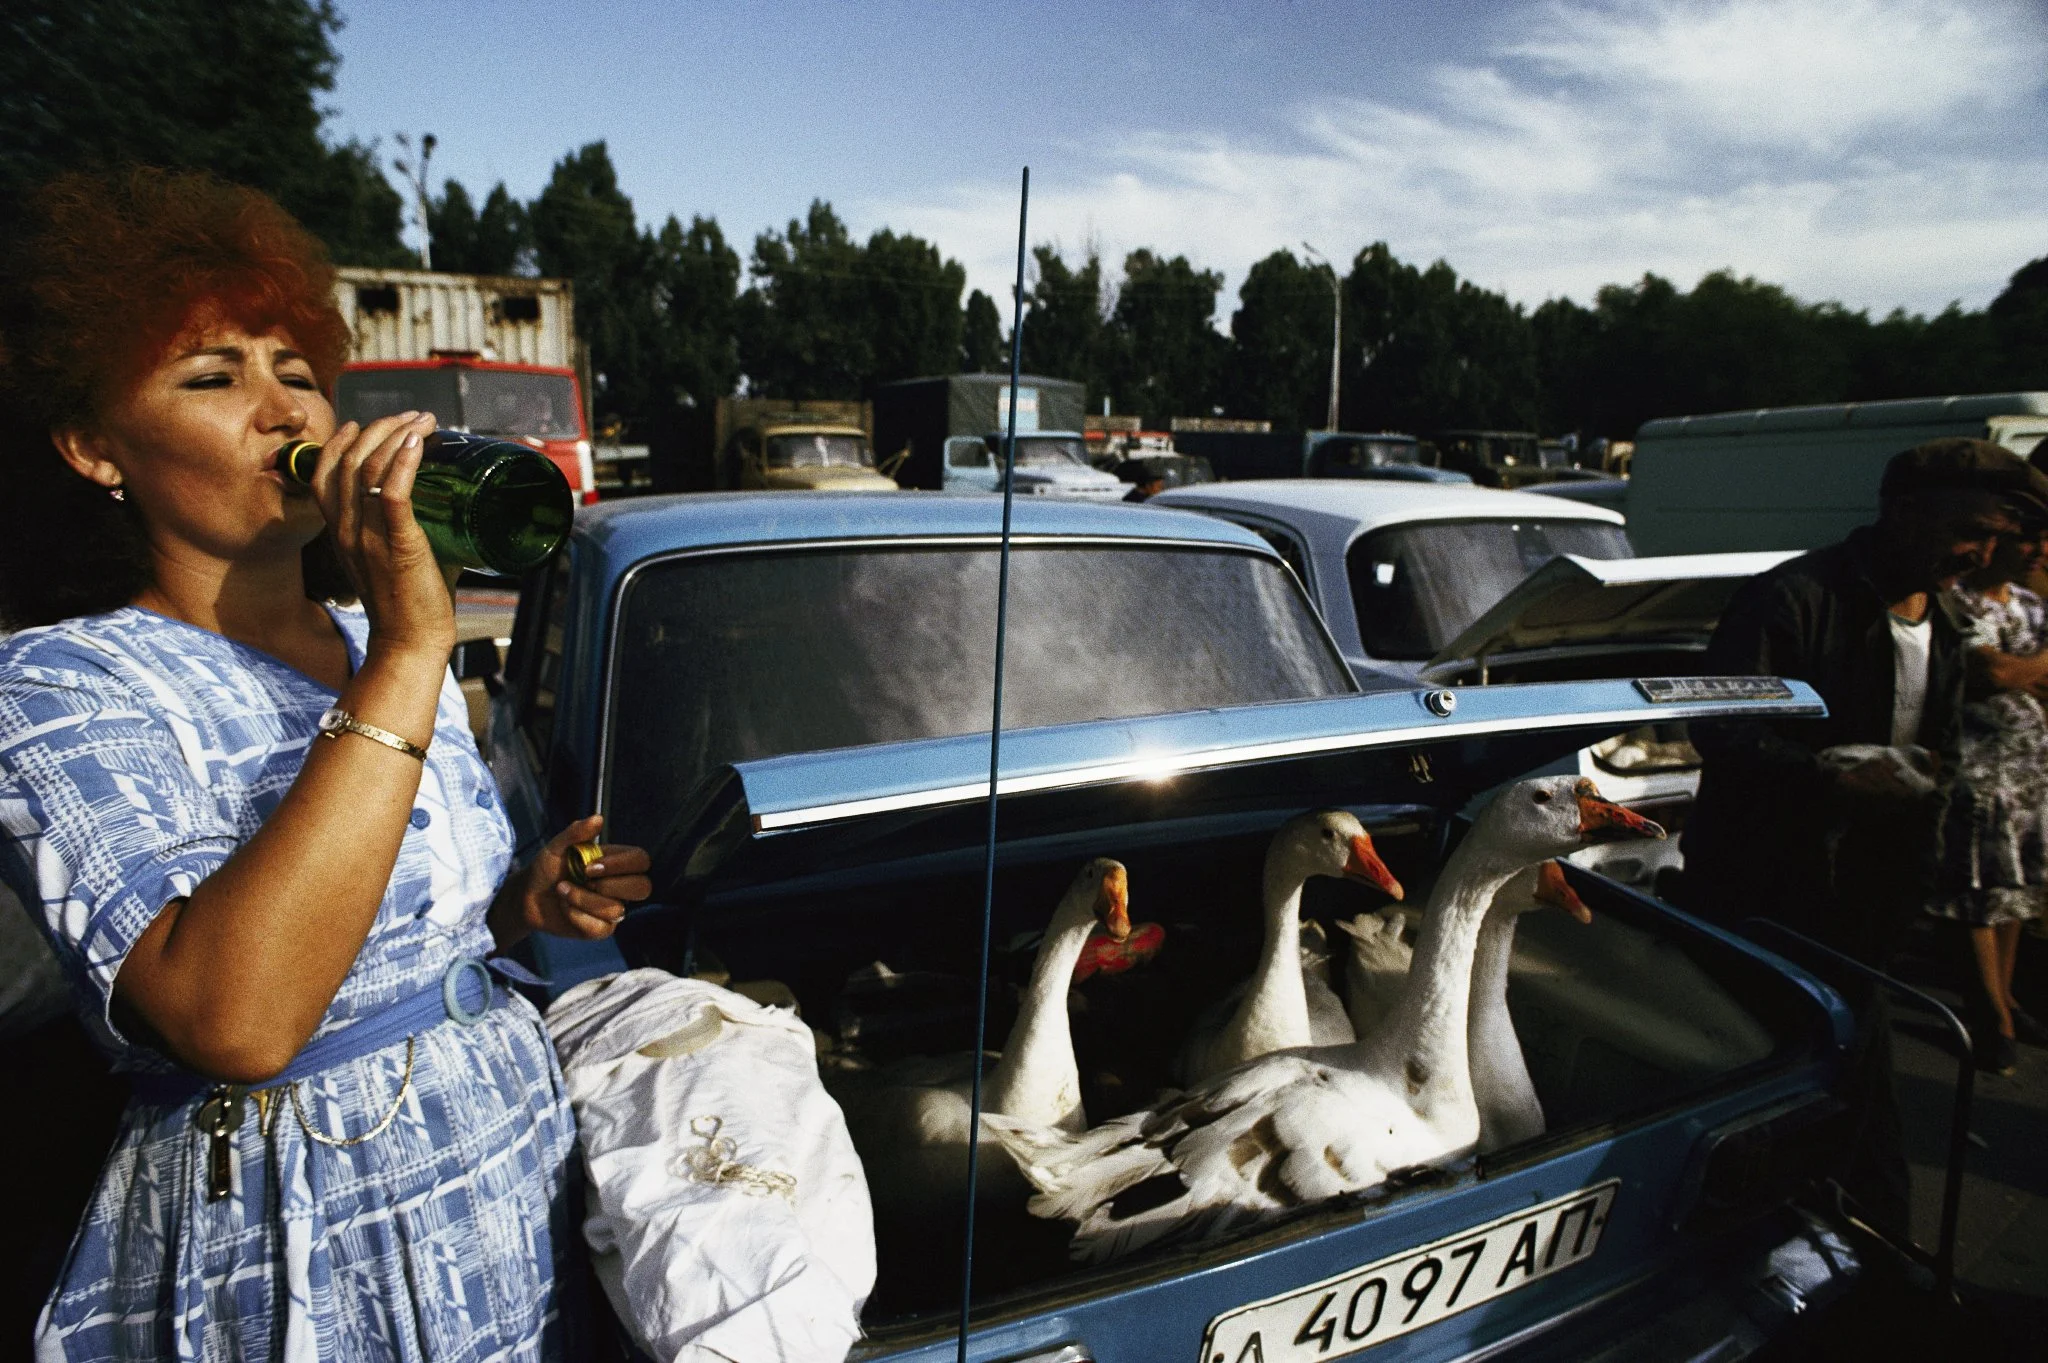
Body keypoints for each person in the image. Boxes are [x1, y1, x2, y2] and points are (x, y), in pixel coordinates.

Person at [0, 169, 651, 1360]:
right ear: (95, 447)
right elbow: (232, 1016)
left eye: (295, 371)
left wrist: (524, 902)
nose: (283, 410)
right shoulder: (58, 685)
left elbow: (398, 940)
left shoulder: (366, 642)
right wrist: (413, 648)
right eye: (214, 376)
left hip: (507, 1175)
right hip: (297, 1233)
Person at [1684, 437, 2046, 1242]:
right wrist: (1827, 774)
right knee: (1764, 1102)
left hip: (1868, 915)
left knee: (1852, 1105)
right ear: (1903, 511)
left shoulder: (1948, 621)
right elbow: (1718, 726)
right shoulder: (1792, 598)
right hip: (1766, 907)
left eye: (1997, 539)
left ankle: (1869, 1259)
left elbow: (1939, 747)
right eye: (1973, 531)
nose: (1984, 554)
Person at [1933, 519, 2048, 1073]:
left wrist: (2020, 672)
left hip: (2028, 766)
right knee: (1978, 886)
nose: (2040, 551)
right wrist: (2025, 669)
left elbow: (2011, 673)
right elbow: (1992, 670)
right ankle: (1988, 1014)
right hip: (1979, 768)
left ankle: (2007, 996)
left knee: (2016, 885)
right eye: (2031, 538)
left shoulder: (2028, 602)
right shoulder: (1960, 603)